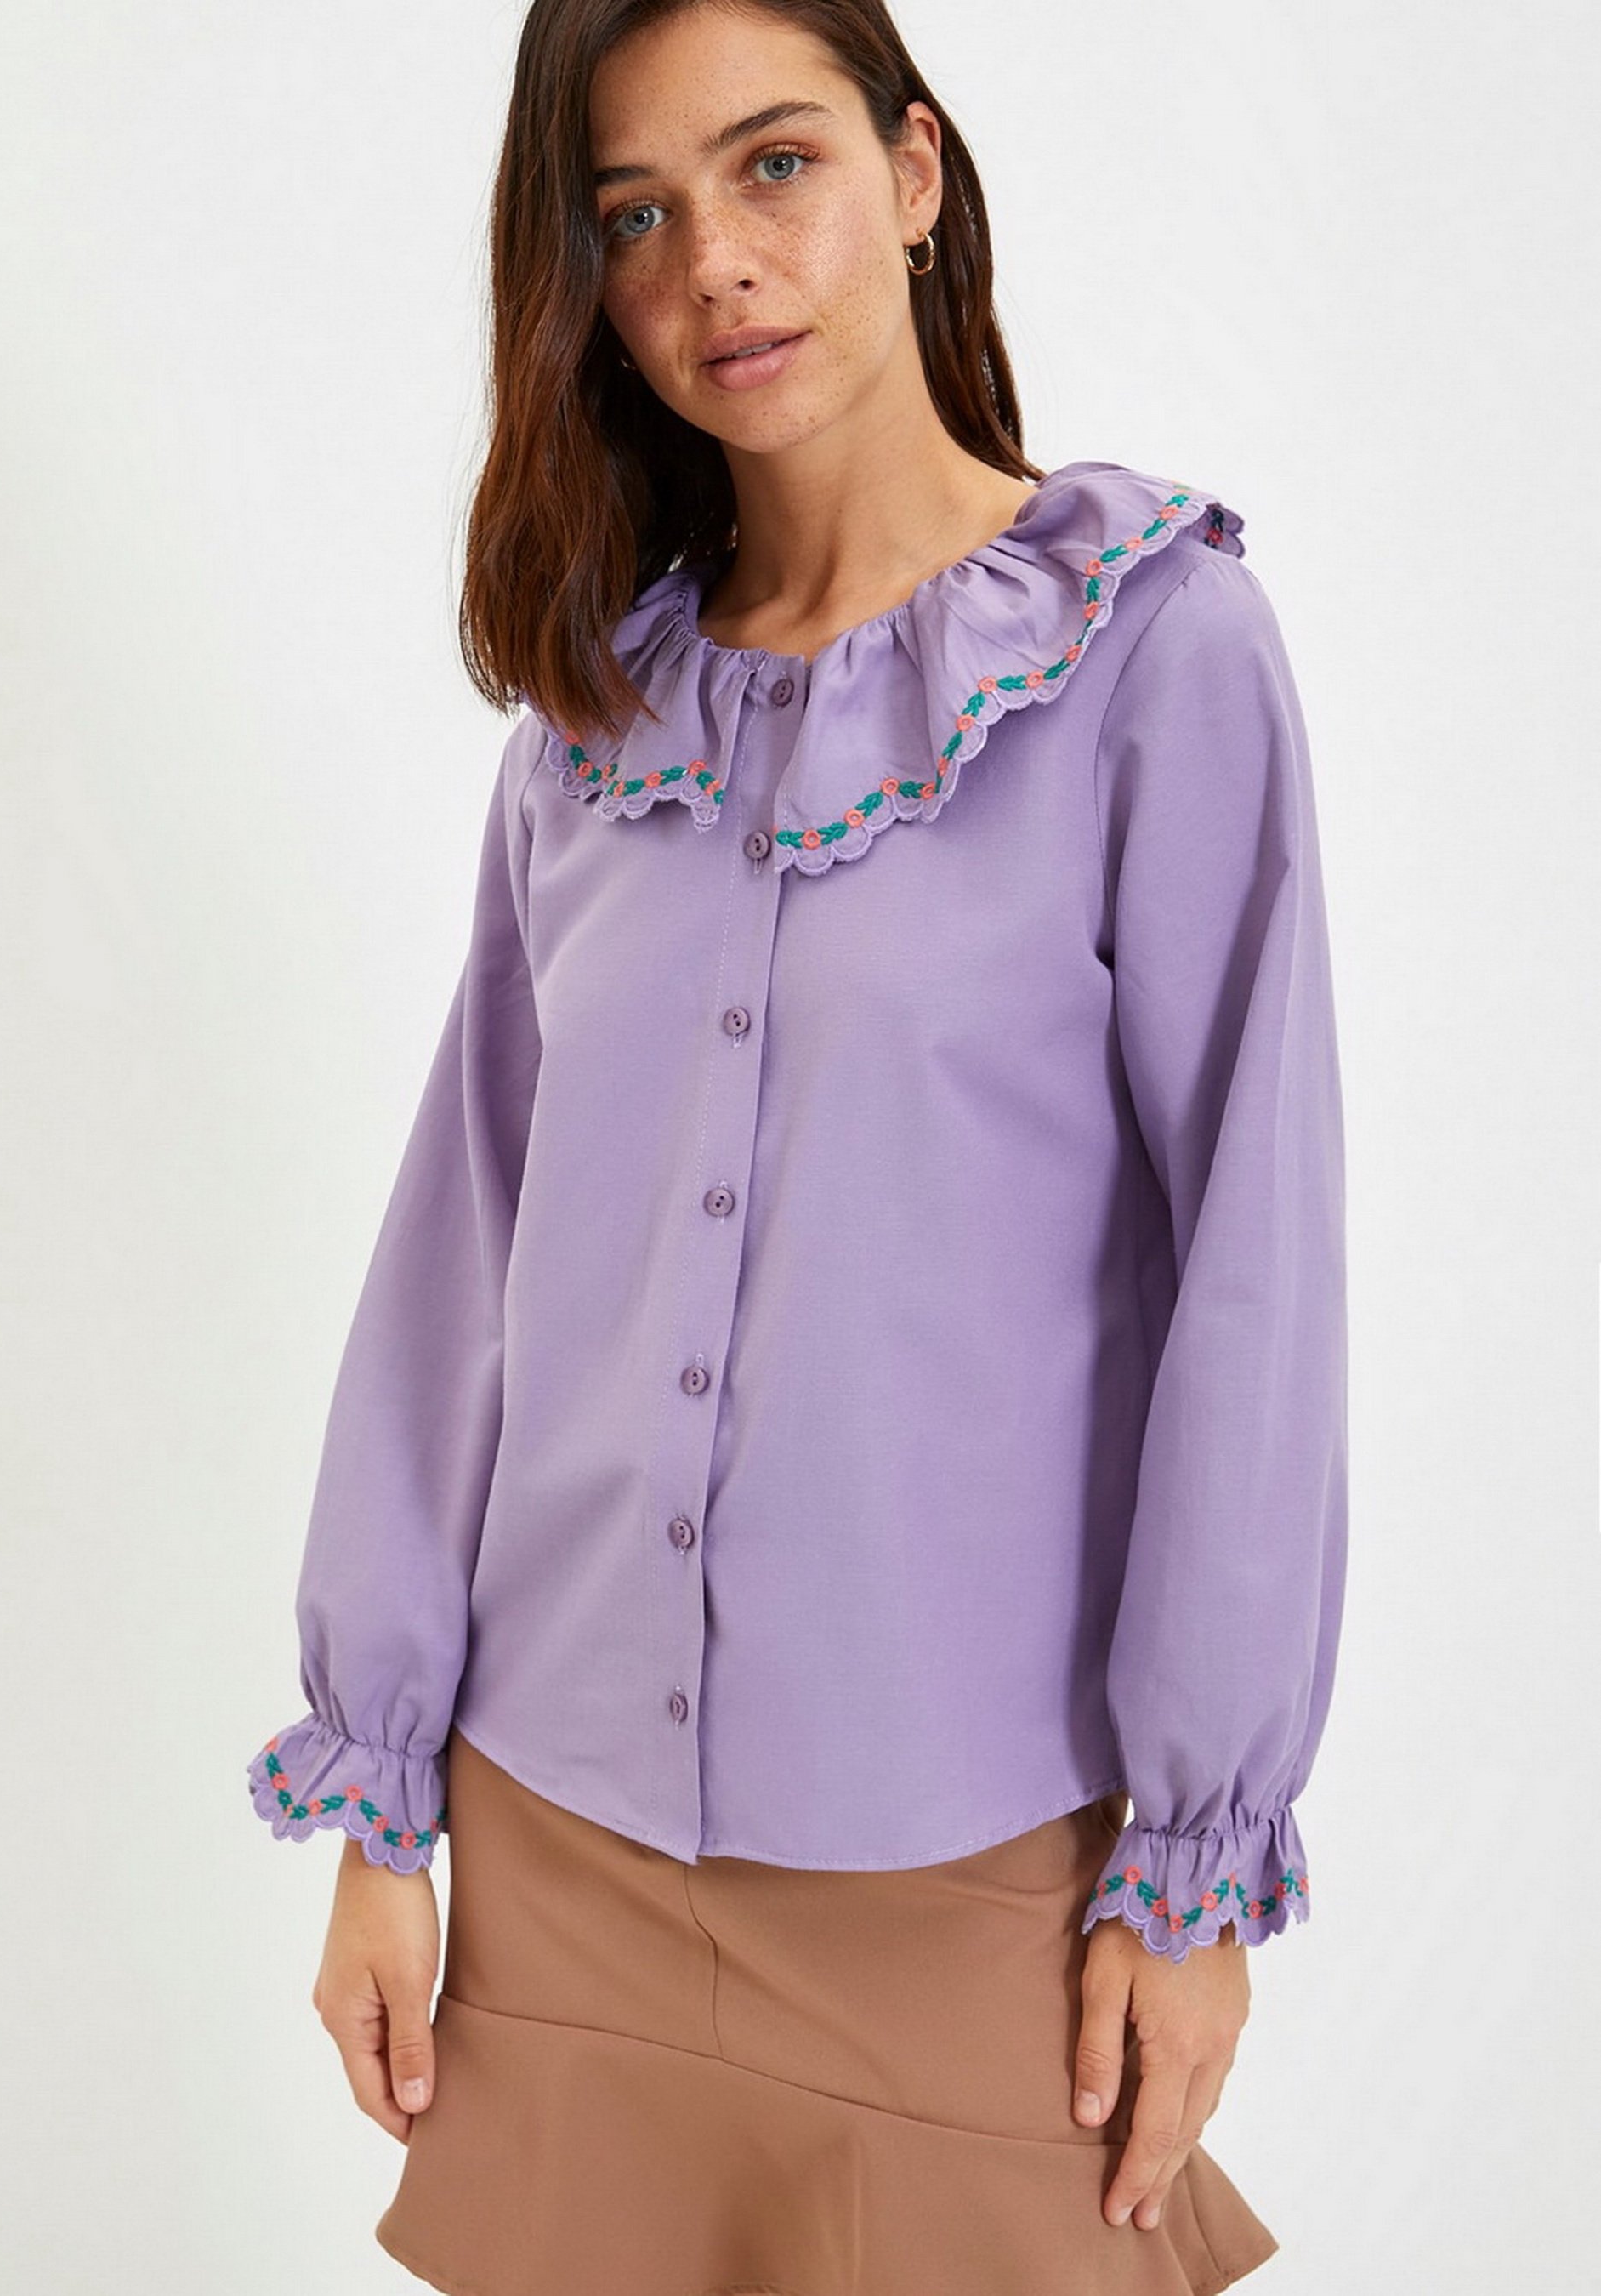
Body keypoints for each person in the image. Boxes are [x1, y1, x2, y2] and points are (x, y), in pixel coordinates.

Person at [244, 1, 1348, 2288]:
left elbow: (1255, 1278)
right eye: (632, 217)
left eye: (774, 167)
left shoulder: (1152, 657)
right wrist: (380, 1798)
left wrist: (1194, 1870)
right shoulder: (590, 729)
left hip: (971, 1878)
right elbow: (468, 1250)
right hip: (554, 1845)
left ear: (914, 174)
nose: (712, 267)